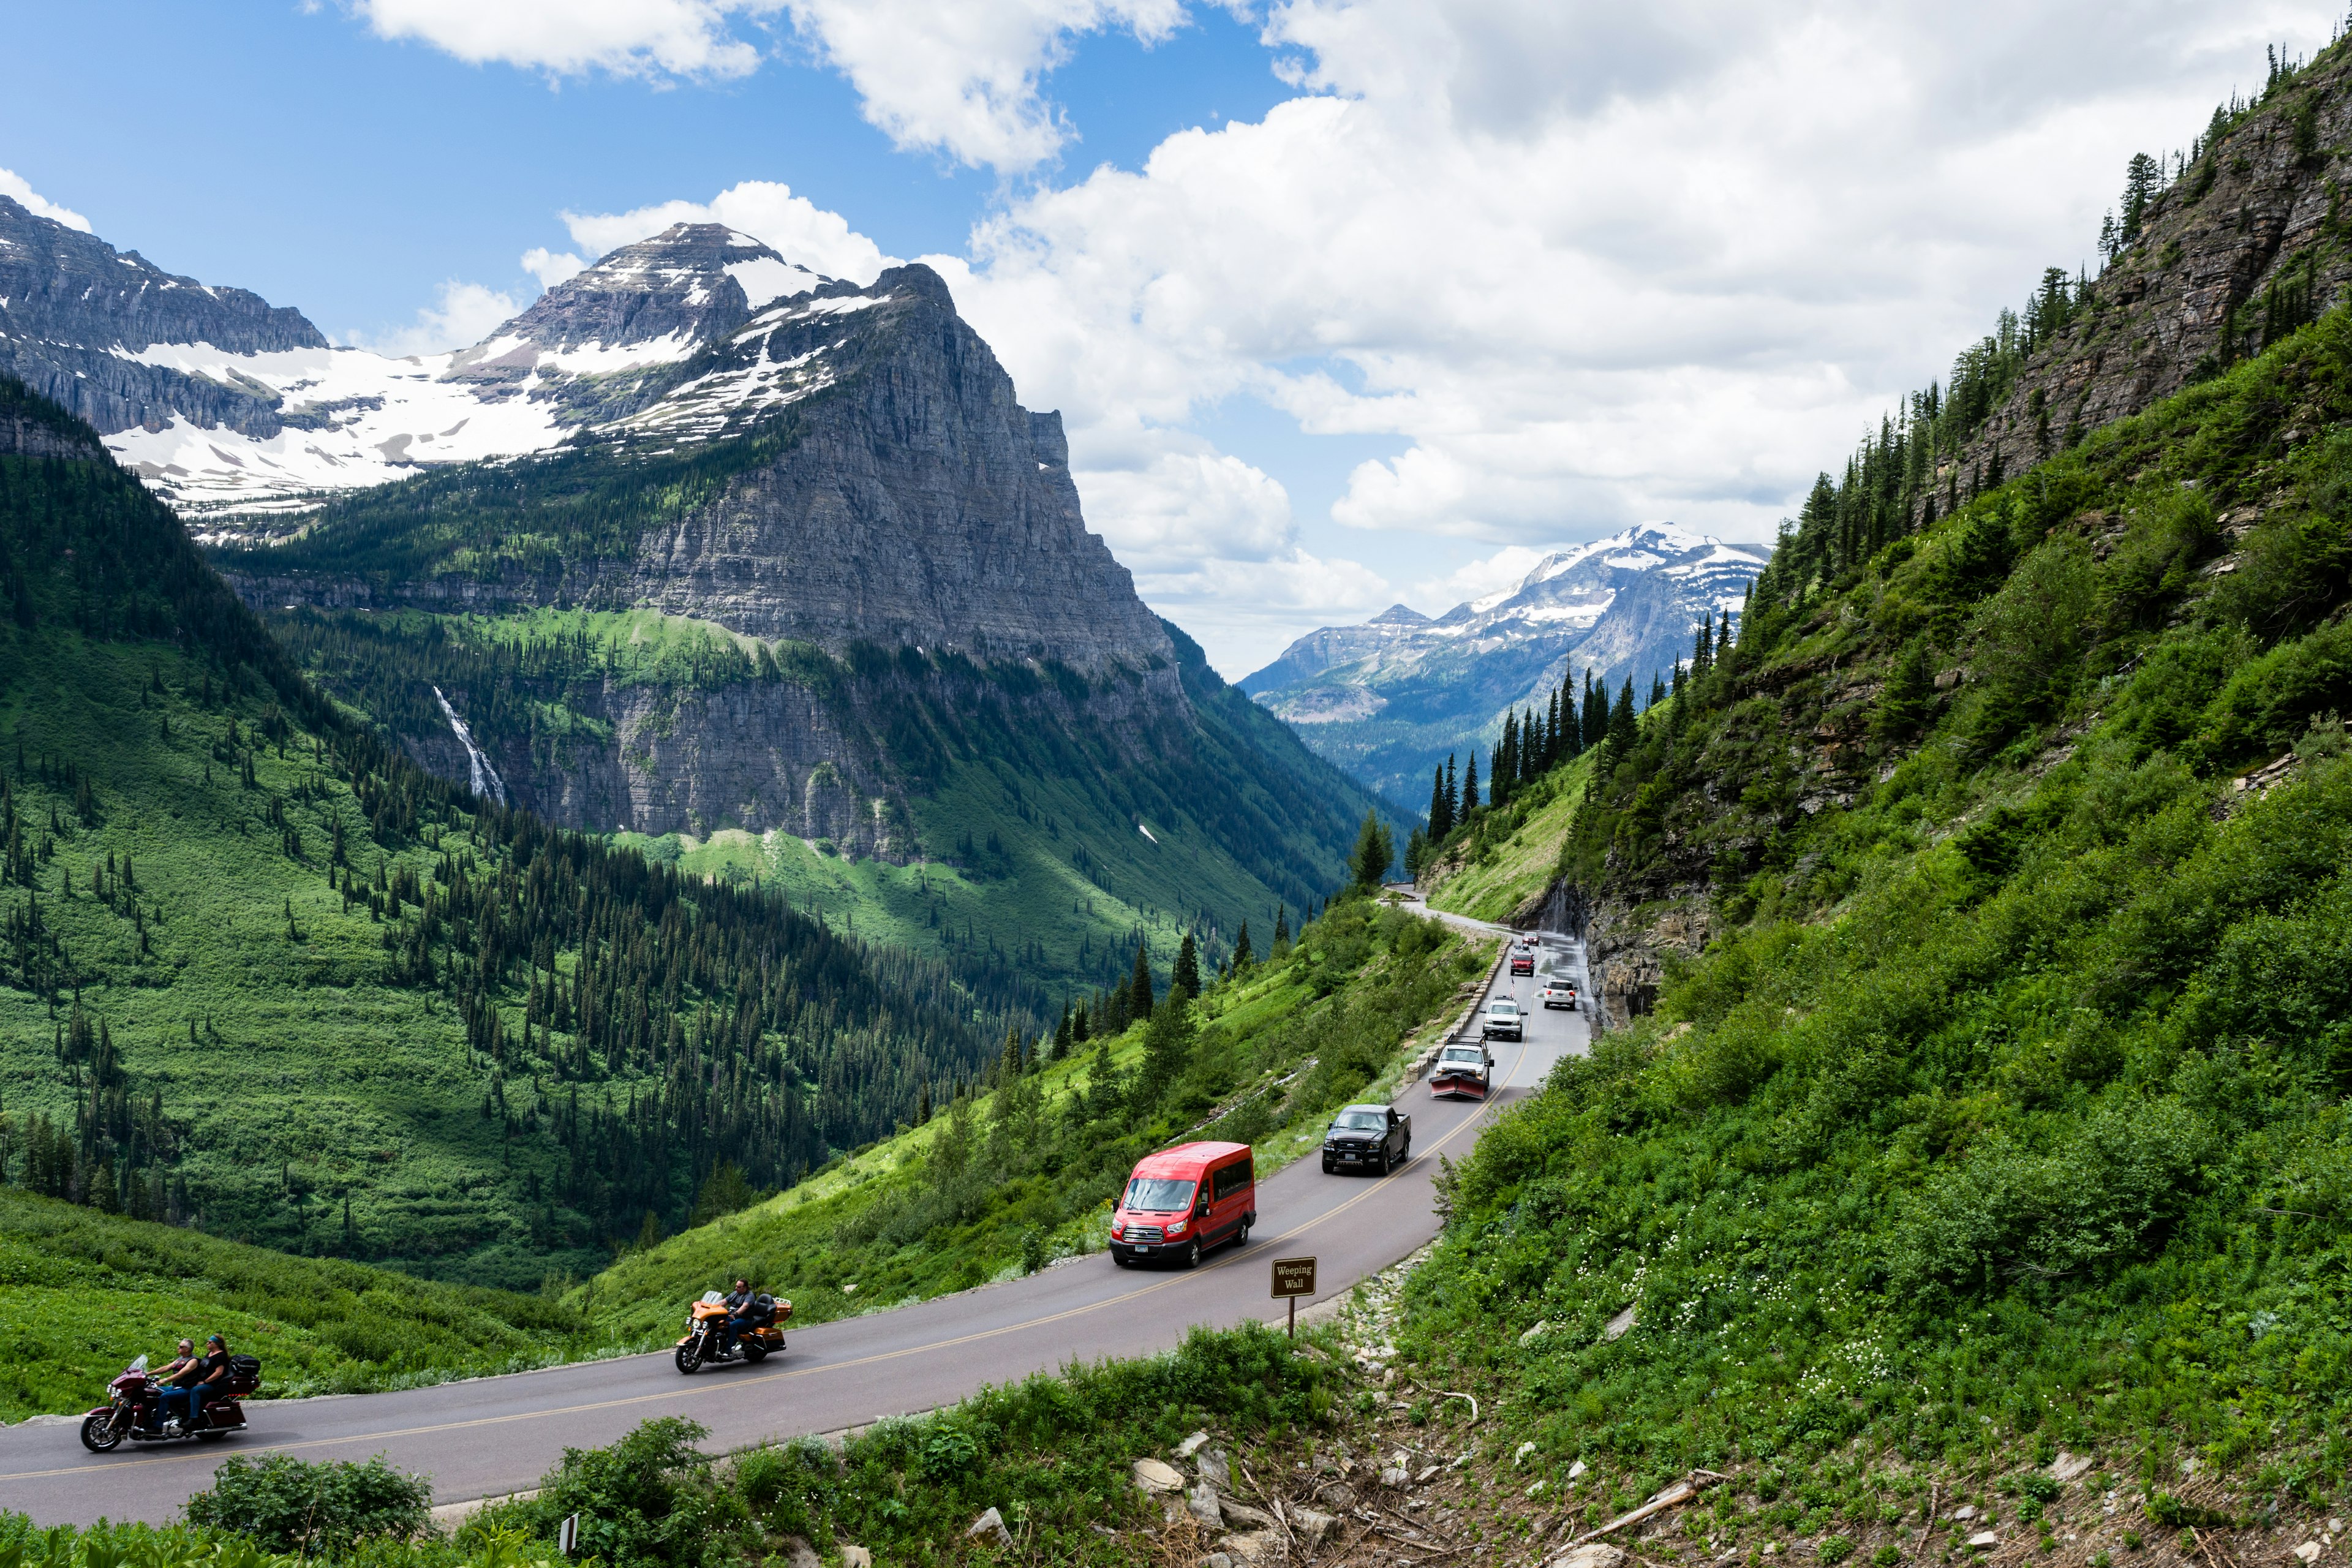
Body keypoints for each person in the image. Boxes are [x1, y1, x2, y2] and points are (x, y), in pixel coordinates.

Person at [183, 1335, 231, 1430]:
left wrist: (205, 1382)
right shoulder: (210, 1353)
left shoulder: (221, 1356)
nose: (207, 1344)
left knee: (196, 1390)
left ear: (216, 1344)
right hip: (203, 1381)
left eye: (210, 1342)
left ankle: (194, 1418)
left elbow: (219, 1372)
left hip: (213, 1384)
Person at [157, 1339, 200, 1431]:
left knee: (165, 1397)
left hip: (187, 1389)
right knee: (154, 1391)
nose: (178, 1348)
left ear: (187, 1349)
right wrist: (147, 1374)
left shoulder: (193, 1361)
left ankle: (158, 1426)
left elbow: (180, 1374)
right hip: (175, 1387)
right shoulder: (181, 1359)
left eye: (181, 1347)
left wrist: (165, 1380)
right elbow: (166, 1368)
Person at [720, 1279, 755, 1352]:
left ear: (745, 1288)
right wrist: (711, 1306)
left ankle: (728, 1350)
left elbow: (745, 1306)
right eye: (736, 1286)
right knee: (720, 1323)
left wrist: (736, 1313)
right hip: (732, 1316)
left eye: (739, 1287)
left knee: (733, 1325)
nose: (736, 1288)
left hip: (745, 1319)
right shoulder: (735, 1293)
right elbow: (724, 1302)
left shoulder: (750, 1296)